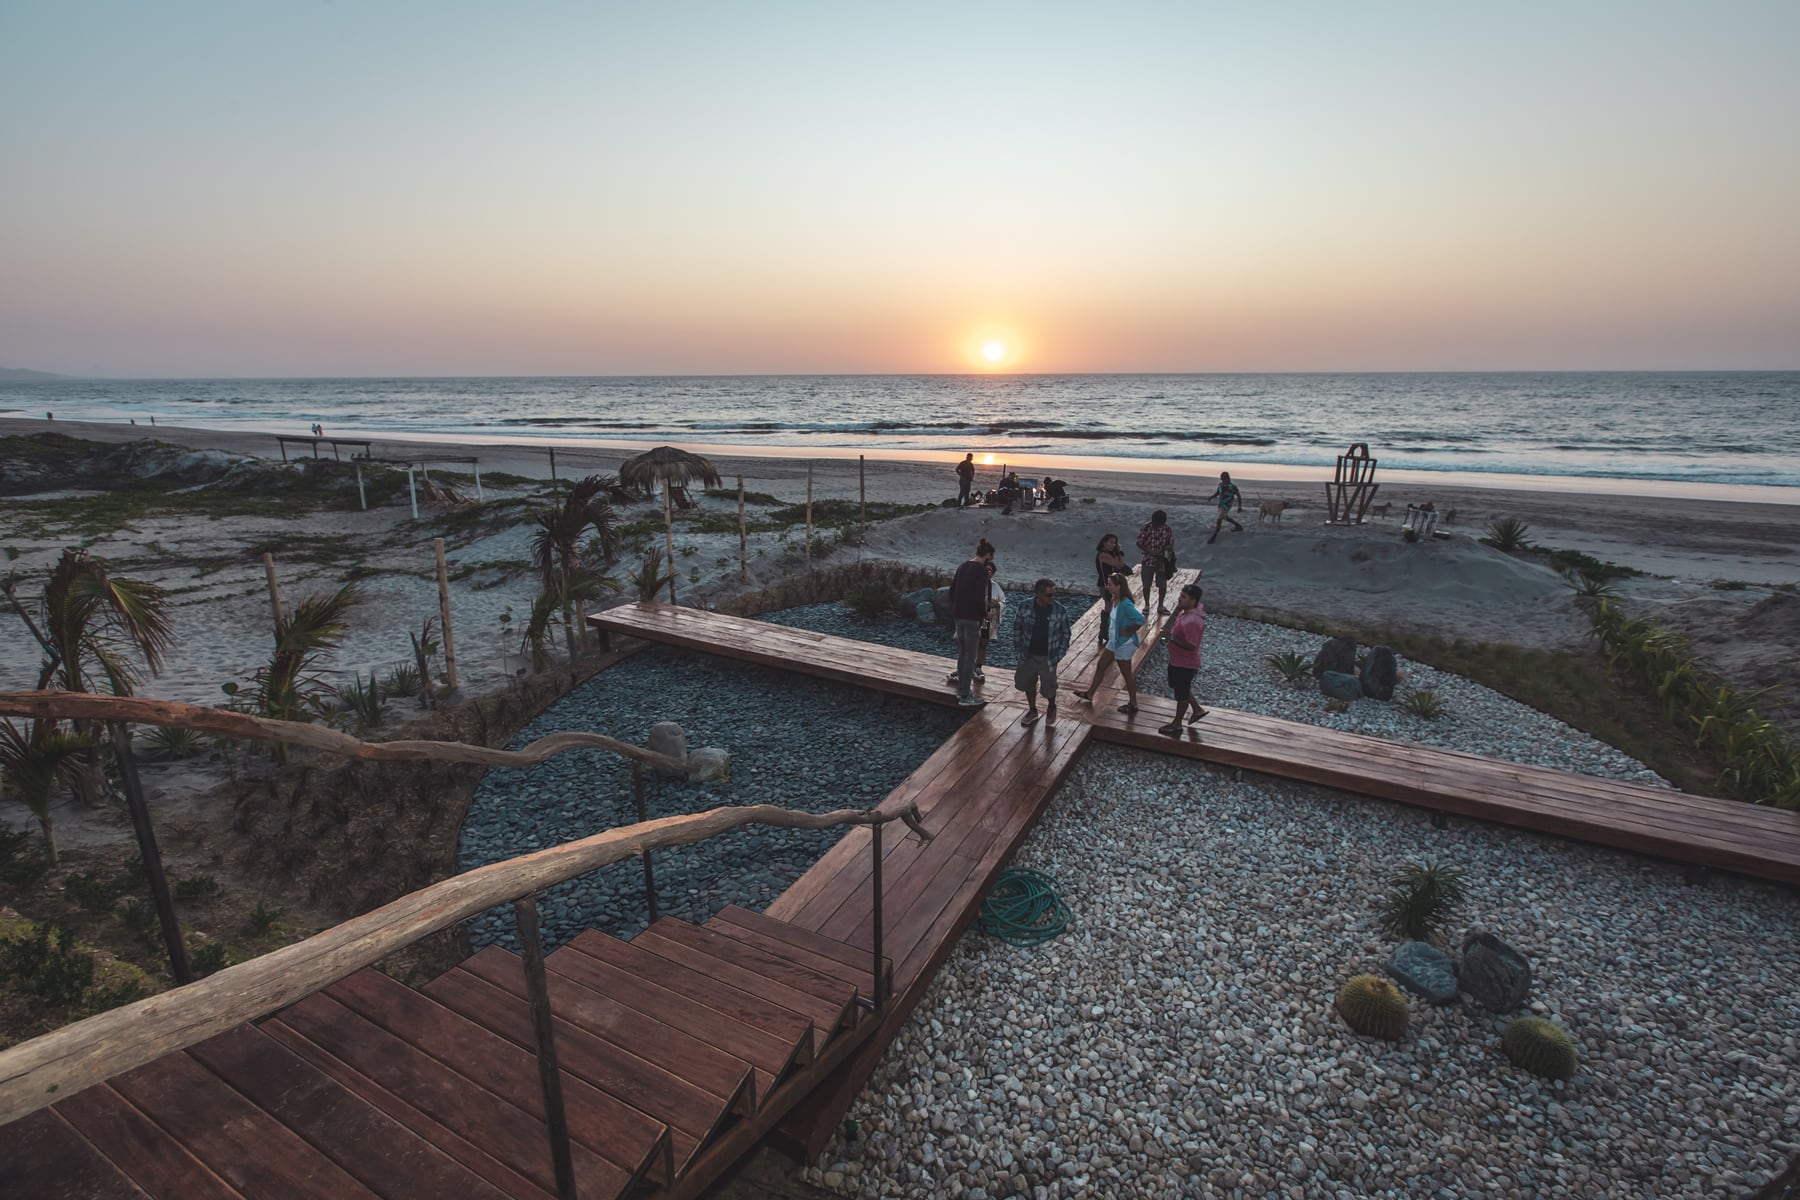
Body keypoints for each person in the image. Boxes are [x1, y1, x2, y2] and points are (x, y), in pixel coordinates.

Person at [1074, 571, 1143, 715]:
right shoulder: (1115, 600)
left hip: (1123, 643)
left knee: (1126, 674)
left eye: (1110, 584)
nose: (1107, 586)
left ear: (1118, 586)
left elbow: (1140, 619)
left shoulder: (1125, 603)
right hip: (1114, 641)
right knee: (1100, 666)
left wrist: (1129, 631)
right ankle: (1090, 693)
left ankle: (1133, 703)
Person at [1011, 577, 1071, 728]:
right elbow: (1017, 627)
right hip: (1028, 654)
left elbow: (1066, 633)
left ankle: (1051, 706)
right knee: (1027, 683)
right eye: (1049, 595)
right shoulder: (1024, 606)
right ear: (1039, 594)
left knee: (1049, 685)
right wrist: (1018, 649)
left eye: (1054, 594)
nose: (1053, 598)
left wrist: (1060, 653)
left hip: (1049, 656)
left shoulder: (1059, 609)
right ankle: (1032, 710)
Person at [948, 538, 996, 705]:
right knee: (970, 656)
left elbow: (952, 591)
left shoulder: (962, 566)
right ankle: (965, 695)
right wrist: (984, 614)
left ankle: (961, 690)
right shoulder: (981, 571)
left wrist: (955, 609)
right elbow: (978, 597)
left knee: (962, 652)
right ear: (988, 555)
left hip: (958, 615)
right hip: (971, 617)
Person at [1160, 583, 1209, 736]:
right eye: (1180, 595)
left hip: (1185, 663)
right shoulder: (1186, 612)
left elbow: (1191, 645)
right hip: (1177, 660)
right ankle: (1197, 710)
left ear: (1193, 600)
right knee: (1181, 687)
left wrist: (1171, 637)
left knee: (1181, 694)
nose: (1179, 599)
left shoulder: (1193, 620)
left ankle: (1177, 724)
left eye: (1184, 597)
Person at [1135, 510, 1175, 615]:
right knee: (1146, 584)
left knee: (1162, 584)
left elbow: (1170, 543)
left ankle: (1160, 605)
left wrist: (1165, 552)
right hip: (1148, 560)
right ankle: (1147, 605)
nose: (1158, 526)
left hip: (1161, 561)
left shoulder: (1167, 529)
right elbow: (1139, 542)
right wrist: (1150, 551)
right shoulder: (1146, 527)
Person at [1093, 532, 1127, 649]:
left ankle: (1105, 632)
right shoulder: (1103, 555)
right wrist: (1119, 553)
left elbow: (1120, 565)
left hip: (1111, 584)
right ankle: (1104, 631)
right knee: (1109, 607)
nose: (1113, 545)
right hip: (1106, 585)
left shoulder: (1110, 554)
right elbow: (1118, 565)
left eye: (1115, 543)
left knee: (1111, 607)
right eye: (1111, 542)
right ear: (1104, 543)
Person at [1206, 471, 1244, 542]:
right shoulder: (1220, 485)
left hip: (1227, 505)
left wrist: (1239, 507)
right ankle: (1238, 526)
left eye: (1224, 479)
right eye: (1221, 479)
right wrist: (1211, 497)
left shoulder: (1232, 487)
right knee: (1225, 517)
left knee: (1219, 520)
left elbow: (1238, 496)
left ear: (1227, 478)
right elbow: (1217, 492)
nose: (1222, 480)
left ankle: (1214, 537)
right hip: (1221, 504)